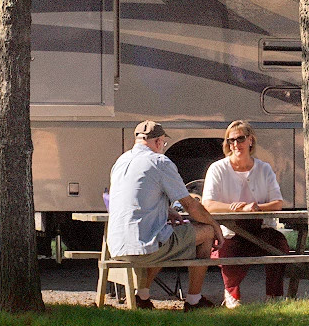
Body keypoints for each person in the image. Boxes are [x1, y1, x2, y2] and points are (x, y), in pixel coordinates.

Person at [107, 120, 222, 310]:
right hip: (146, 248)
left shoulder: (121, 162)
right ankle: (194, 300)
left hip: (117, 247)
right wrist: (216, 226)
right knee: (205, 232)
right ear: (159, 142)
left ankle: (142, 297)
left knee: (164, 231)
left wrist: (167, 211)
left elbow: (135, 199)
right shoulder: (160, 162)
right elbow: (191, 205)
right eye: (163, 143)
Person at [201, 121, 288, 307]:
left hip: (261, 227)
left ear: (251, 140)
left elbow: (278, 203)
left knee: (280, 246)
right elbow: (207, 204)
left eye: (240, 138)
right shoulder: (218, 169)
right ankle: (232, 295)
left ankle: (274, 296)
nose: (235, 144)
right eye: (230, 140)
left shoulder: (264, 168)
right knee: (228, 251)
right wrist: (236, 208)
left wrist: (257, 207)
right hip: (229, 230)